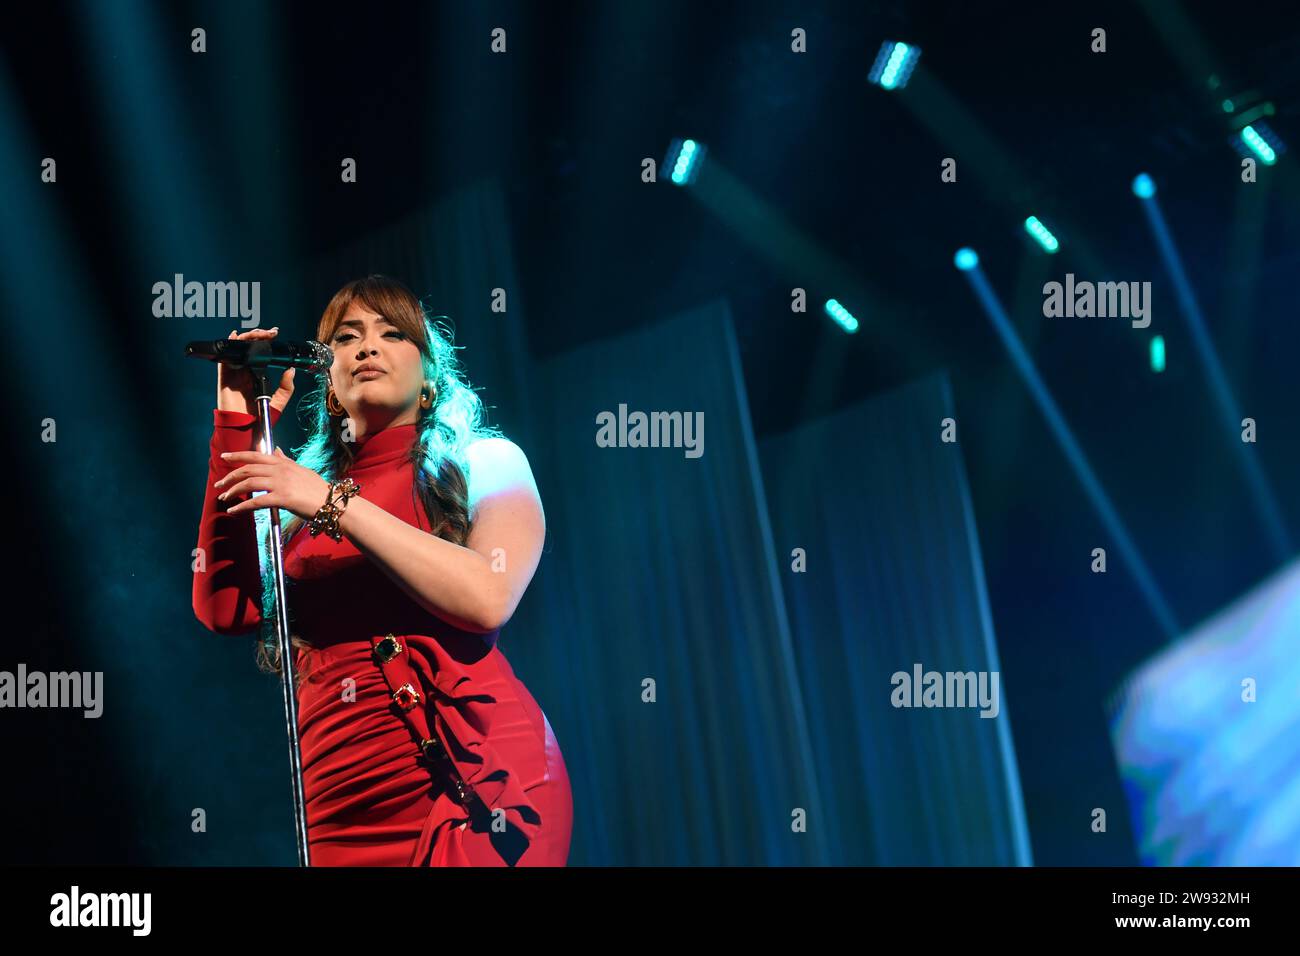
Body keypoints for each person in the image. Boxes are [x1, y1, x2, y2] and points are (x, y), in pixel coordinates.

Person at [191, 274, 572, 866]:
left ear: (429, 375)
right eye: (346, 338)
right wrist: (235, 422)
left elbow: (488, 596)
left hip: (465, 780)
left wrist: (329, 503)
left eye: (392, 333)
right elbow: (225, 609)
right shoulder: (299, 495)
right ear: (331, 383)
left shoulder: (484, 461)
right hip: (336, 806)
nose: (367, 347)